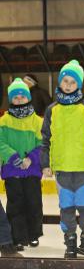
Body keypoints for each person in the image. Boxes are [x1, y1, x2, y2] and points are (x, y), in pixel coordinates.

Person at [41, 60, 84, 259]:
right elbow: (45, 140)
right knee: (66, 206)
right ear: (60, 83)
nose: (68, 85)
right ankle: (70, 240)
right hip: (61, 168)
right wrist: (45, 164)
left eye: (73, 82)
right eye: (65, 81)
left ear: (79, 85)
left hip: (83, 166)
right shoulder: (52, 110)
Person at [0, 78, 43, 250]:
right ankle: (17, 236)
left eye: (22, 97)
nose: (19, 100)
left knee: (33, 203)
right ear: (10, 100)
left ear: (28, 98)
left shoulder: (37, 122)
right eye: (15, 97)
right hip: (12, 170)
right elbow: (1, 142)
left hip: (31, 170)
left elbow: (43, 144)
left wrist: (30, 158)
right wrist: (13, 157)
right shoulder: (3, 121)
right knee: (15, 203)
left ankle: (33, 234)